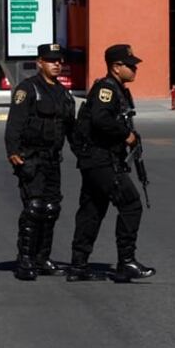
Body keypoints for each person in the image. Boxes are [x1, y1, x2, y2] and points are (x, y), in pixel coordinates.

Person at [67, 44, 155, 283]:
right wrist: (124, 134)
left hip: (100, 159)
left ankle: (78, 265)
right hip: (100, 159)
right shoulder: (106, 89)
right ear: (116, 67)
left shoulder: (119, 89)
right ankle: (126, 261)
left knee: (92, 210)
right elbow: (100, 119)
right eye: (130, 65)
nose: (135, 69)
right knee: (131, 203)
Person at [4, 43, 76, 280]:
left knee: (51, 209)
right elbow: (15, 123)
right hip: (31, 158)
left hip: (52, 159)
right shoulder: (28, 89)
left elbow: (70, 129)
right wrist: (13, 151)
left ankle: (42, 258)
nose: (57, 64)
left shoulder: (63, 93)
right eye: (51, 60)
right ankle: (25, 260)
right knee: (34, 208)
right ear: (40, 63)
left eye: (59, 61)